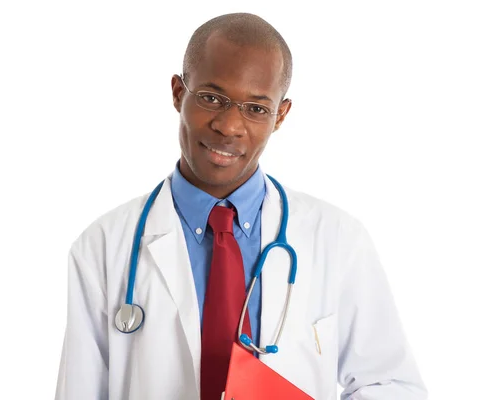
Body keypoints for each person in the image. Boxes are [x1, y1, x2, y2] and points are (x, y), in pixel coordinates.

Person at [54, 12, 427, 400]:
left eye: (256, 108)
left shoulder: (338, 239)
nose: (229, 126)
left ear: (280, 115)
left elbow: (391, 386)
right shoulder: (102, 246)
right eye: (212, 98)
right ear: (179, 93)